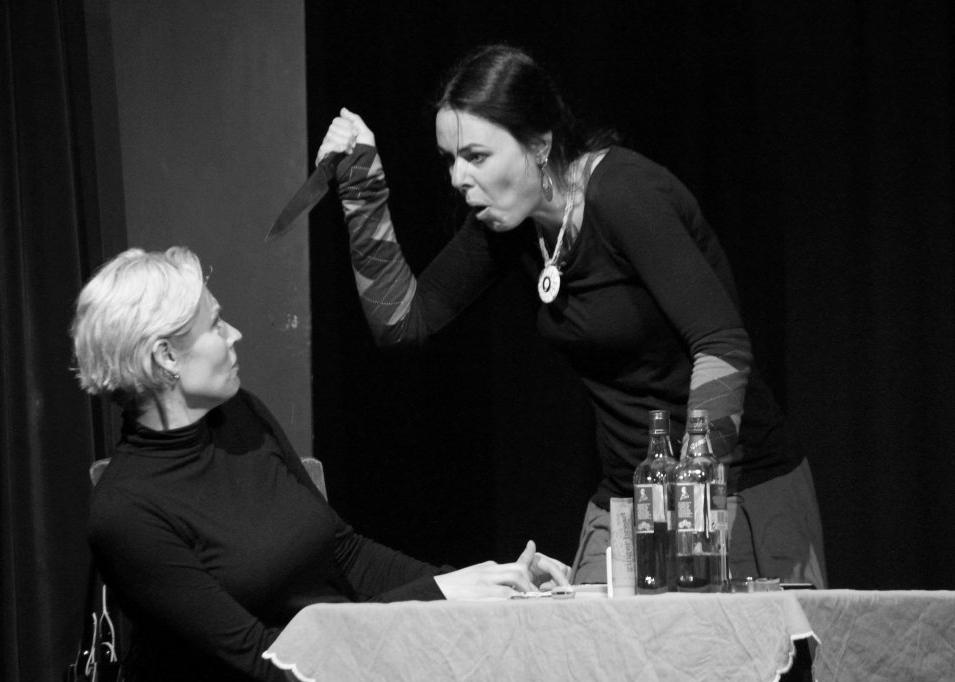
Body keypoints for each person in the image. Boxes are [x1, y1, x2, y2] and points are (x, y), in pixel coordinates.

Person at [316, 43, 827, 589]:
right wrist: (362, 188)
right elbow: (401, 322)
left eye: (477, 156)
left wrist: (690, 499)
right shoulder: (510, 226)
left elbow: (721, 343)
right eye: (450, 159)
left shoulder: (624, 192)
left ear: (540, 143)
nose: (458, 178)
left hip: (730, 493)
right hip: (628, 499)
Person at [70, 246, 571, 682]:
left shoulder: (238, 415)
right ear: (166, 356)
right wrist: (437, 598)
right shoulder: (127, 513)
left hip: (352, 669)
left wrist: (480, 584)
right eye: (216, 324)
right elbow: (260, 662)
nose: (234, 334)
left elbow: (344, 553)